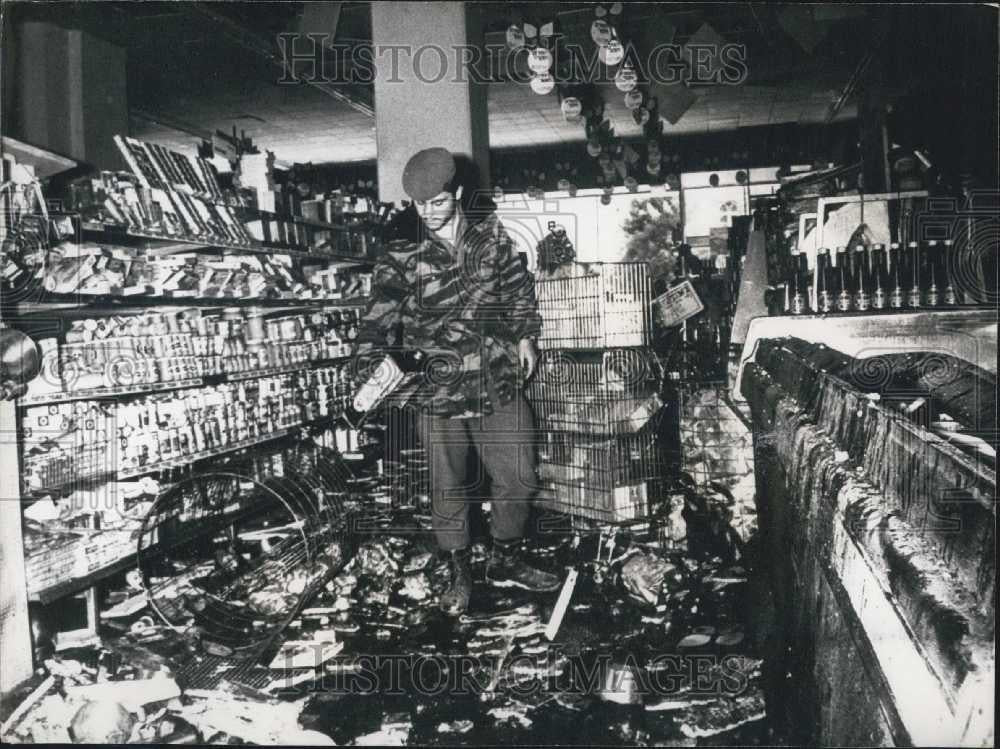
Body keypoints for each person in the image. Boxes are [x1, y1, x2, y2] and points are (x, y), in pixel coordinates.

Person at [355, 147, 560, 616]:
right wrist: (368, 366)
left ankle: (505, 556)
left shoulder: (492, 240)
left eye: (437, 202)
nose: (428, 213)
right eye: (419, 205)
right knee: (447, 485)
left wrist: (527, 337)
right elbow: (377, 319)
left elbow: (517, 290)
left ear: (459, 194)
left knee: (521, 476)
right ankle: (458, 568)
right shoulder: (401, 254)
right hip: (438, 389)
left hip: (496, 379)